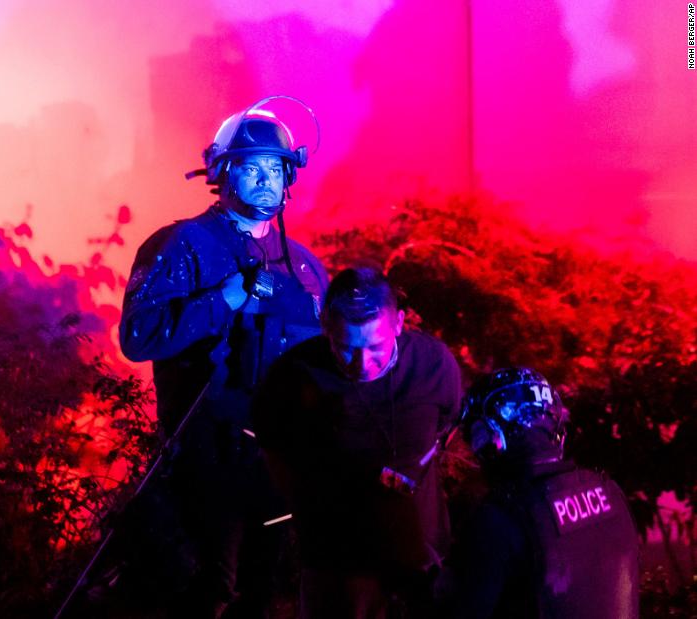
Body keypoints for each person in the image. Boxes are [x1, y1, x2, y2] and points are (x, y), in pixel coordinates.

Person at [119, 98, 328, 617]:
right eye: (250, 168)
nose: (264, 181)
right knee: (211, 593)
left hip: (277, 463)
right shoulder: (184, 244)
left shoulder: (302, 265)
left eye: (274, 170)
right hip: (205, 459)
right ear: (221, 172)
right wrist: (224, 299)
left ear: (289, 178)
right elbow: (138, 336)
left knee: (264, 594)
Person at [251, 266, 461, 618]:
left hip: (426, 559)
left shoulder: (433, 364)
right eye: (345, 349)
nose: (363, 364)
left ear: (399, 324)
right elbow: (274, 451)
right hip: (338, 564)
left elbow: (447, 422)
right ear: (326, 329)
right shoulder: (292, 377)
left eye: (376, 347)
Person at [435, 367, 639, 618]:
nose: (473, 450)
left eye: (475, 435)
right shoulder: (611, 494)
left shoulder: (499, 519)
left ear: (494, 437)